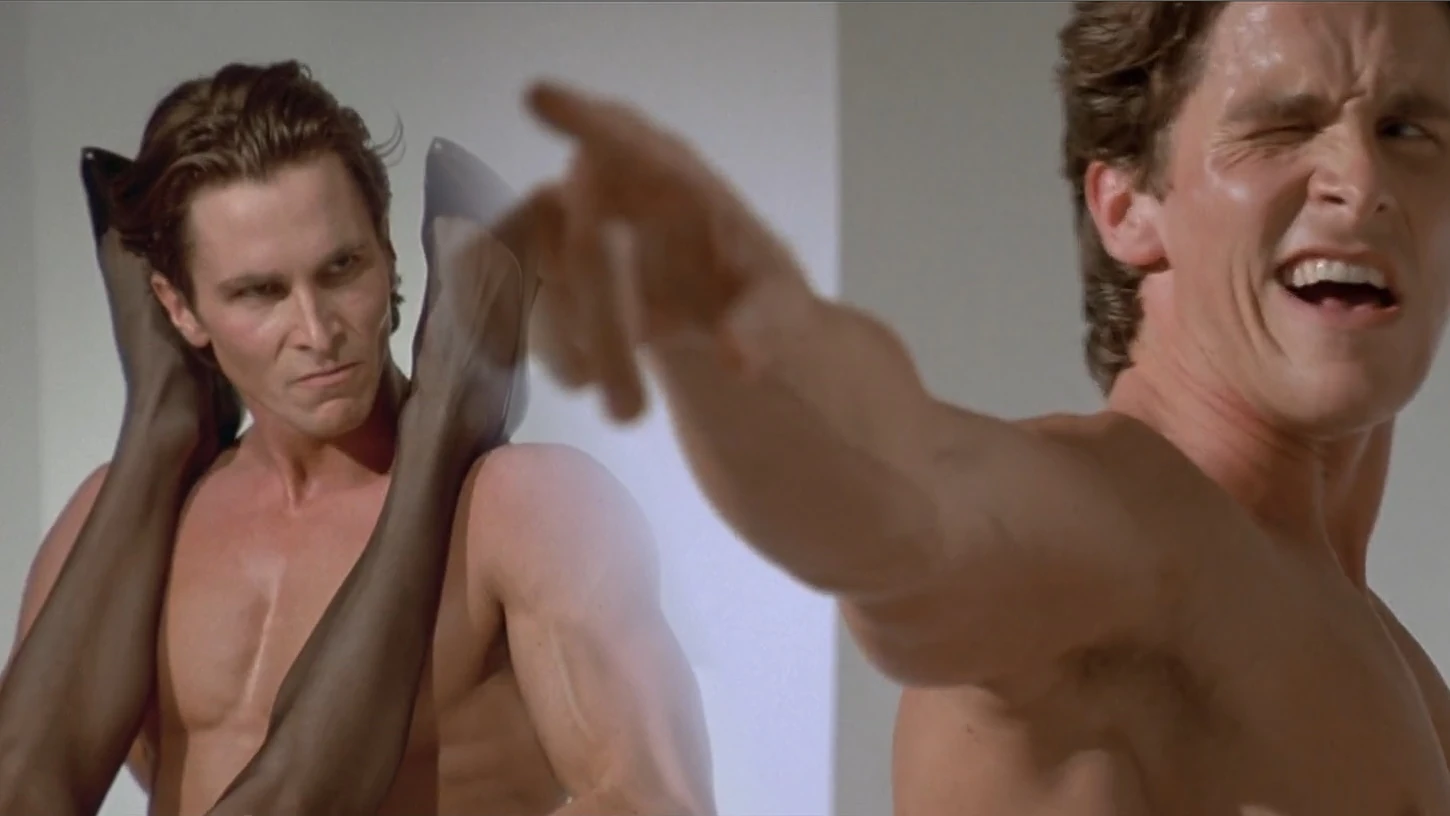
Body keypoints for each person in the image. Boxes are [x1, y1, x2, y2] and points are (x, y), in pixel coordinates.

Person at [499, 1, 1450, 813]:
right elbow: (909, 501)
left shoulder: (1403, 671)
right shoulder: (1129, 527)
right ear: (1128, 207)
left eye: (1409, 131)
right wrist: (733, 327)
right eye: (1280, 127)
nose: (1362, 184)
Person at [12, 60, 715, 816]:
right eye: (260, 292)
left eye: (341, 268)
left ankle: (433, 411)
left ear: (387, 250)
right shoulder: (123, 524)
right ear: (179, 308)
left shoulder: (523, 510)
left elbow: (657, 800)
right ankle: (175, 406)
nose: (318, 332)